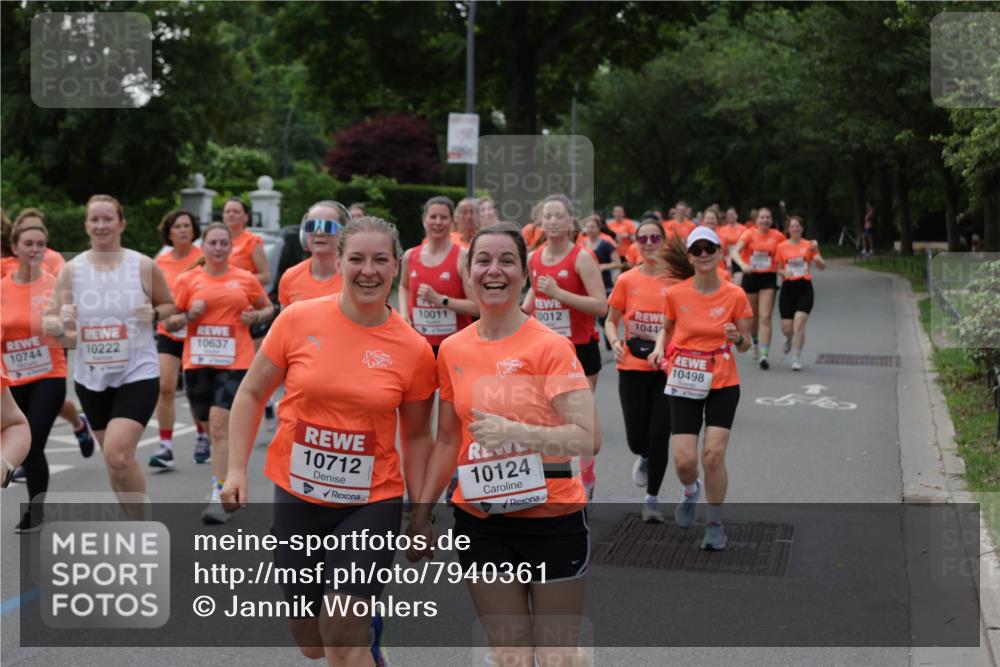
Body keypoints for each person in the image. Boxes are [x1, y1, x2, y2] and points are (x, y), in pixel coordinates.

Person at [222, 216, 436, 667]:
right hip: (298, 494)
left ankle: (358, 636)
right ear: (338, 262)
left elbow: (417, 436)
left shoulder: (413, 348)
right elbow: (252, 393)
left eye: (381, 259)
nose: (368, 270)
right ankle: (366, 634)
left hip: (372, 499)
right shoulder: (298, 320)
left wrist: (421, 514)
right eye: (356, 258)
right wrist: (236, 469)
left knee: (340, 635)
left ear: (396, 266)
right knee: (312, 640)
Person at [407, 222, 598, 667]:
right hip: (482, 520)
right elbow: (448, 439)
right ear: (468, 272)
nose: (495, 271)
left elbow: (590, 436)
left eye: (507, 261)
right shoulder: (452, 350)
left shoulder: (550, 346)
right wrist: (421, 514)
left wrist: (518, 433)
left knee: (556, 658)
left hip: (554, 519)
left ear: (525, 275)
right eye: (483, 261)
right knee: (511, 656)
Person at [44, 195, 176, 510]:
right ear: (87, 225)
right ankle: (132, 522)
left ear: (121, 223)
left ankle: (142, 529)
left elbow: (170, 306)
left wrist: (155, 314)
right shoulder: (72, 270)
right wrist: (60, 320)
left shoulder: (143, 265)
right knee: (114, 461)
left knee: (119, 454)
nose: (101, 225)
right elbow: (49, 320)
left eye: (108, 219)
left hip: (138, 371)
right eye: (95, 220)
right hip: (91, 377)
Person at [649, 227, 753, 550]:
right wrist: (657, 348)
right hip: (684, 377)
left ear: (721, 253)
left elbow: (747, 344)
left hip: (723, 380)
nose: (704, 253)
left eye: (710, 248)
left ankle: (715, 524)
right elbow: (665, 330)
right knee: (683, 461)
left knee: (712, 457)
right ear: (691, 257)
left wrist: (738, 338)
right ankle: (691, 491)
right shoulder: (676, 294)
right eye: (698, 249)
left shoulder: (735, 295)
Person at [163, 223, 273, 523]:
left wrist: (255, 316)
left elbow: (268, 308)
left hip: (235, 361)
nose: (219, 248)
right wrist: (188, 315)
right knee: (206, 422)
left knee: (220, 423)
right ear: (204, 246)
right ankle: (226, 472)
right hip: (197, 362)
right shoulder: (188, 280)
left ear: (230, 247)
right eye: (213, 243)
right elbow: (169, 323)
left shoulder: (245, 279)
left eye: (224, 243)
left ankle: (220, 491)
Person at [522, 194, 607, 499]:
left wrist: (560, 293)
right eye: (548, 216)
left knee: (577, 421)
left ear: (571, 222)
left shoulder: (581, 258)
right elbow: (532, 301)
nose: (553, 221)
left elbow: (600, 305)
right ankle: (553, 483)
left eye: (559, 216)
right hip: (544, 352)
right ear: (540, 221)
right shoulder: (533, 258)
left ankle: (585, 474)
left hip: (580, 350)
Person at [2, 216, 74, 531]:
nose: (35, 249)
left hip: (49, 373)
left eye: (41, 245)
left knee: (33, 440)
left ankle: (36, 509)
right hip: (12, 376)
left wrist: (63, 325)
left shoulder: (55, 286)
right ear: (15, 247)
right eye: (28, 244)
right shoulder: (1, 288)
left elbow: (72, 335)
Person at [604, 218, 674, 522]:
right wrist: (614, 340)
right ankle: (643, 456)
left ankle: (652, 500)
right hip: (631, 366)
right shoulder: (627, 280)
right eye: (642, 239)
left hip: (666, 367)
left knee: (660, 434)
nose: (648, 244)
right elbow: (610, 319)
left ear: (664, 241)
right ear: (635, 243)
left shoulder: (677, 280)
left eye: (654, 238)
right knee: (637, 438)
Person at [149, 209, 208, 470]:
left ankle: (202, 435)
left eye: (187, 225)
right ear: (169, 232)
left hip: (198, 330)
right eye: (178, 226)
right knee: (165, 386)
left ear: (194, 230)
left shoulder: (203, 258)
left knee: (196, 390)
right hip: (169, 330)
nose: (183, 230)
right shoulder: (160, 262)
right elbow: (153, 296)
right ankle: (165, 447)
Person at [399, 197, 478, 356]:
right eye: (433, 217)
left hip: (454, 347)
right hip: (419, 343)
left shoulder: (462, 257)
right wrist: (404, 314)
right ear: (424, 220)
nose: (438, 222)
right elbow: (403, 286)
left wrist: (440, 300)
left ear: (452, 222)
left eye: (443, 217)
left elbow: (477, 307)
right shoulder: (410, 256)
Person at [730, 207, 786, 369]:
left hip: (768, 277)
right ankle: (754, 341)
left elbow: (785, 253)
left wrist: (783, 270)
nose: (765, 220)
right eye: (762, 217)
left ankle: (764, 355)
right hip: (751, 276)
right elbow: (735, 253)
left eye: (768, 218)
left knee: (765, 316)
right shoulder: (749, 234)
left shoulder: (778, 236)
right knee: (752, 318)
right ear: (757, 220)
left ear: (772, 220)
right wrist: (742, 264)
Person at [774, 216, 826, 371]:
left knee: (799, 323)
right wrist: (784, 272)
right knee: (787, 327)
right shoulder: (781, 246)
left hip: (804, 287)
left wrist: (817, 257)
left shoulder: (809, 245)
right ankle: (788, 338)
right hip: (788, 288)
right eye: (792, 226)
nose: (795, 229)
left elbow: (822, 265)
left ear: (802, 228)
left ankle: (796, 358)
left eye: (798, 226)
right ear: (788, 229)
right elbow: (776, 268)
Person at [278, 201, 349, 307]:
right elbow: (285, 322)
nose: (319, 233)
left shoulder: (355, 277)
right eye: (311, 226)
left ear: (343, 233)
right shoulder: (290, 277)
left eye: (327, 226)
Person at [1, 375, 30, 489]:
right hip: (15, 376)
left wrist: (3, 465)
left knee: (36, 447)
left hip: (47, 373)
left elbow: (13, 425)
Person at [717, 207, 745, 282]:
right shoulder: (721, 230)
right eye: (728, 215)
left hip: (739, 258)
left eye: (732, 214)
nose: (730, 216)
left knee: (737, 283)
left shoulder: (743, 229)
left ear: (736, 216)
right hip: (726, 259)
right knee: (727, 282)